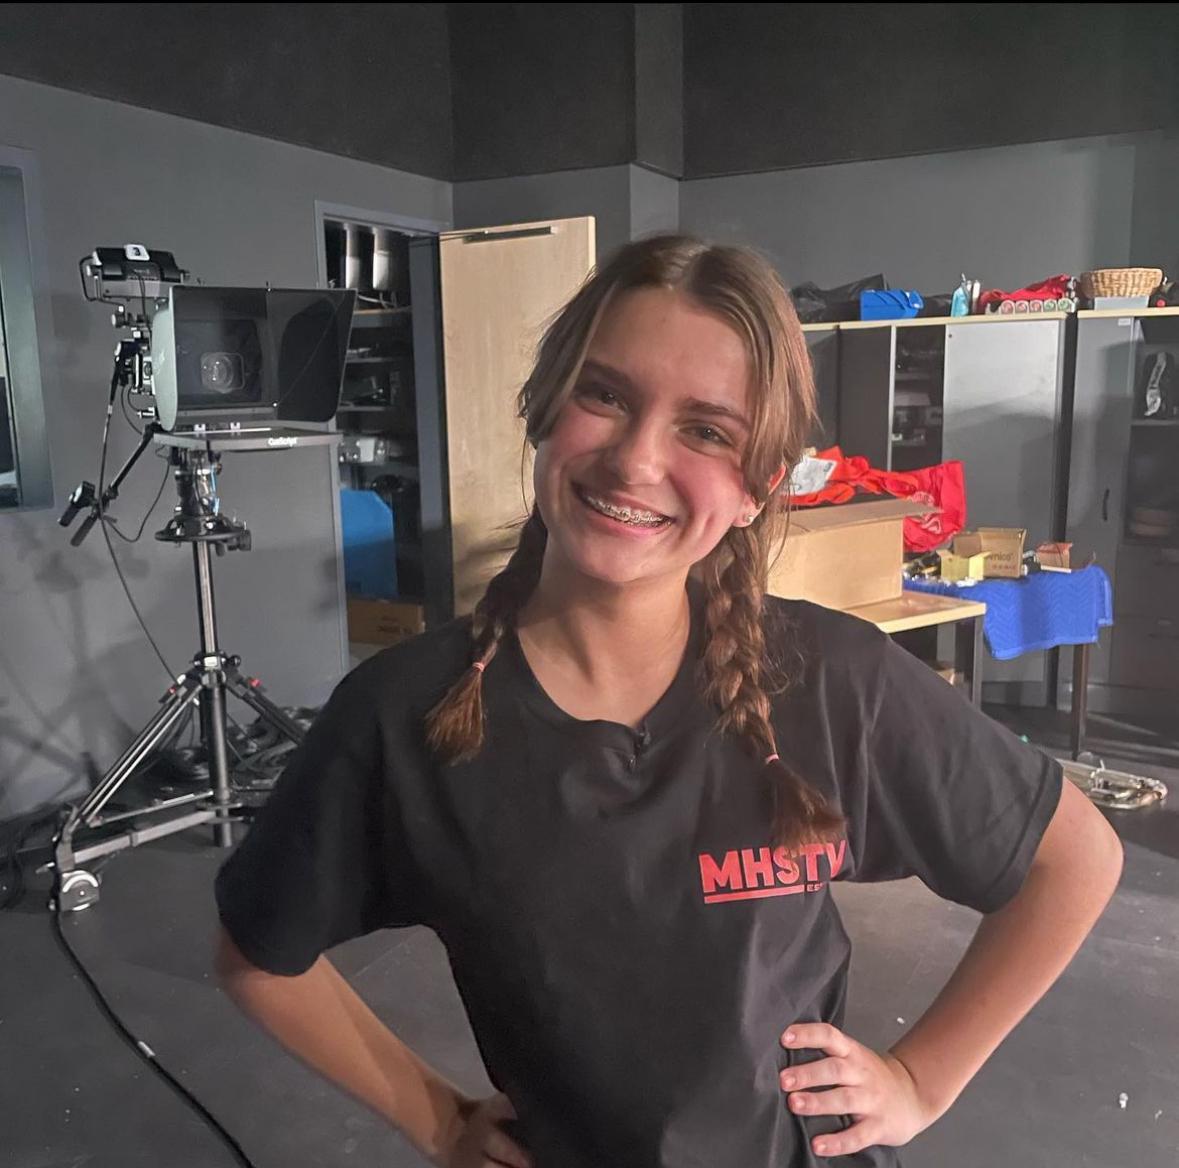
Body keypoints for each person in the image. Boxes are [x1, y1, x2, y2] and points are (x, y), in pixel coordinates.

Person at [214, 235, 1123, 1167]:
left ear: (756, 488)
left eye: (707, 431)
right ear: (542, 406)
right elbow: (257, 952)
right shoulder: (406, 714)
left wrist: (922, 1079)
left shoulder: (830, 679)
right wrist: (437, 1119)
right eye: (604, 395)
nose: (636, 460)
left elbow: (1073, 858)